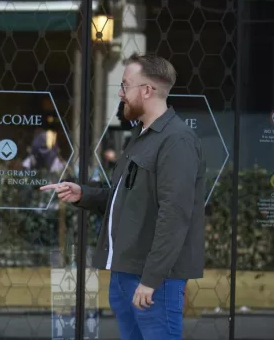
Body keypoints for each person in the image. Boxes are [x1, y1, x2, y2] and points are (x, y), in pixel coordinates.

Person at [41, 53, 206, 340]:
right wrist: (83, 194)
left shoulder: (176, 140)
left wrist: (151, 279)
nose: (120, 94)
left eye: (125, 85)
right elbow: (130, 201)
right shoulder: (143, 136)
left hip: (153, 280)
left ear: (146, 90)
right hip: (126, 274)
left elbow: (175, 215)